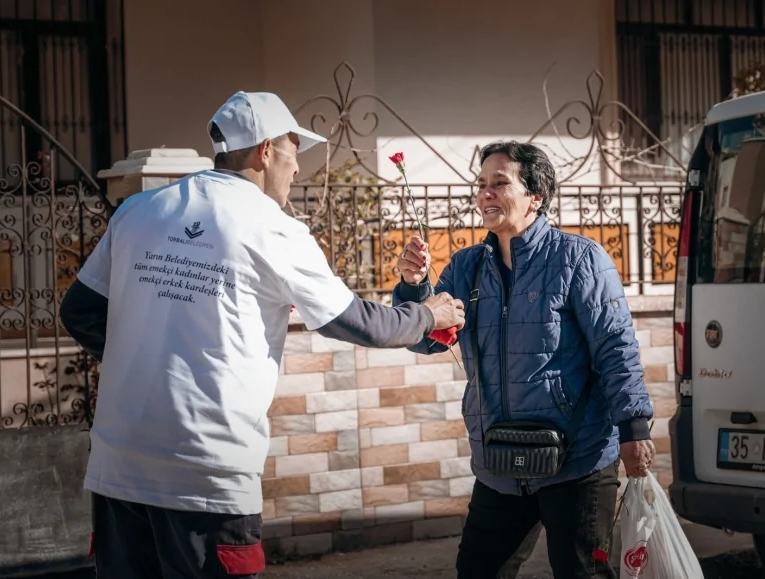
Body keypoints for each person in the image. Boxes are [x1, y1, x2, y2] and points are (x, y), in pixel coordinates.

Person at [58, 90, 465, 579]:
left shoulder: (140, 211)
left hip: (118, 468)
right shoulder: (274, 228)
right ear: (265, 150)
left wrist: (145, 357)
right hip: (206, 474)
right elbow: (355, 321)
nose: (298, 170)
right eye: (294, 153)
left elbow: (80, 311)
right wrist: (428, 314)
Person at [394, 140, 655, 579]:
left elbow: (615, 348)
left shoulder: (579, 259)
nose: (486, 194)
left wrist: (634, 428)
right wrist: (413, 288)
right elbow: (430, 341)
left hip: (578, 460)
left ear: (536, 196)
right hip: (501, 461)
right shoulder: (467, 267)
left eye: (500, 183)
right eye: (481, 184)